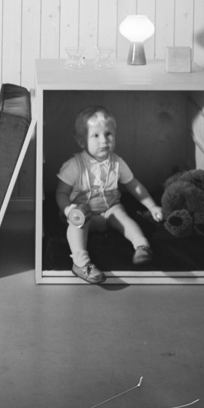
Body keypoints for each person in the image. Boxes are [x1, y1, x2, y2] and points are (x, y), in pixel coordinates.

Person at [55, 105, 164, 284]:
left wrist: (152, 207)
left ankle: (142, 246)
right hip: (83, 213)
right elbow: (61, 193)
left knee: (122, 216)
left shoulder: (117, 162)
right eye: (96, 136)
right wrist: (68, 210)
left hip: (109, 209)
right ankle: (81, 263)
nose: (104, 140)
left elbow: (133, 185)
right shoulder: (74, 165)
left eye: (108, 134)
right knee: (76, 225)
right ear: (82, 142)